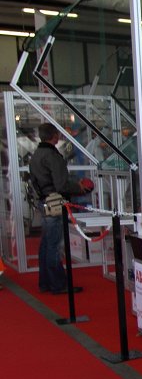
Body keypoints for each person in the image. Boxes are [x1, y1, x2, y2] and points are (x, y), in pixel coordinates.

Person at [28, 122, 94, 294]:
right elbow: (61, 185)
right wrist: (79, 187)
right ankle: (58, 284)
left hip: (44, 202)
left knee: (46, 244)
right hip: (55, 203)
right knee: (54, 246)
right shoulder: (52, 156)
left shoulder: (36, 155)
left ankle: (45, 282)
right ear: (54, 136)